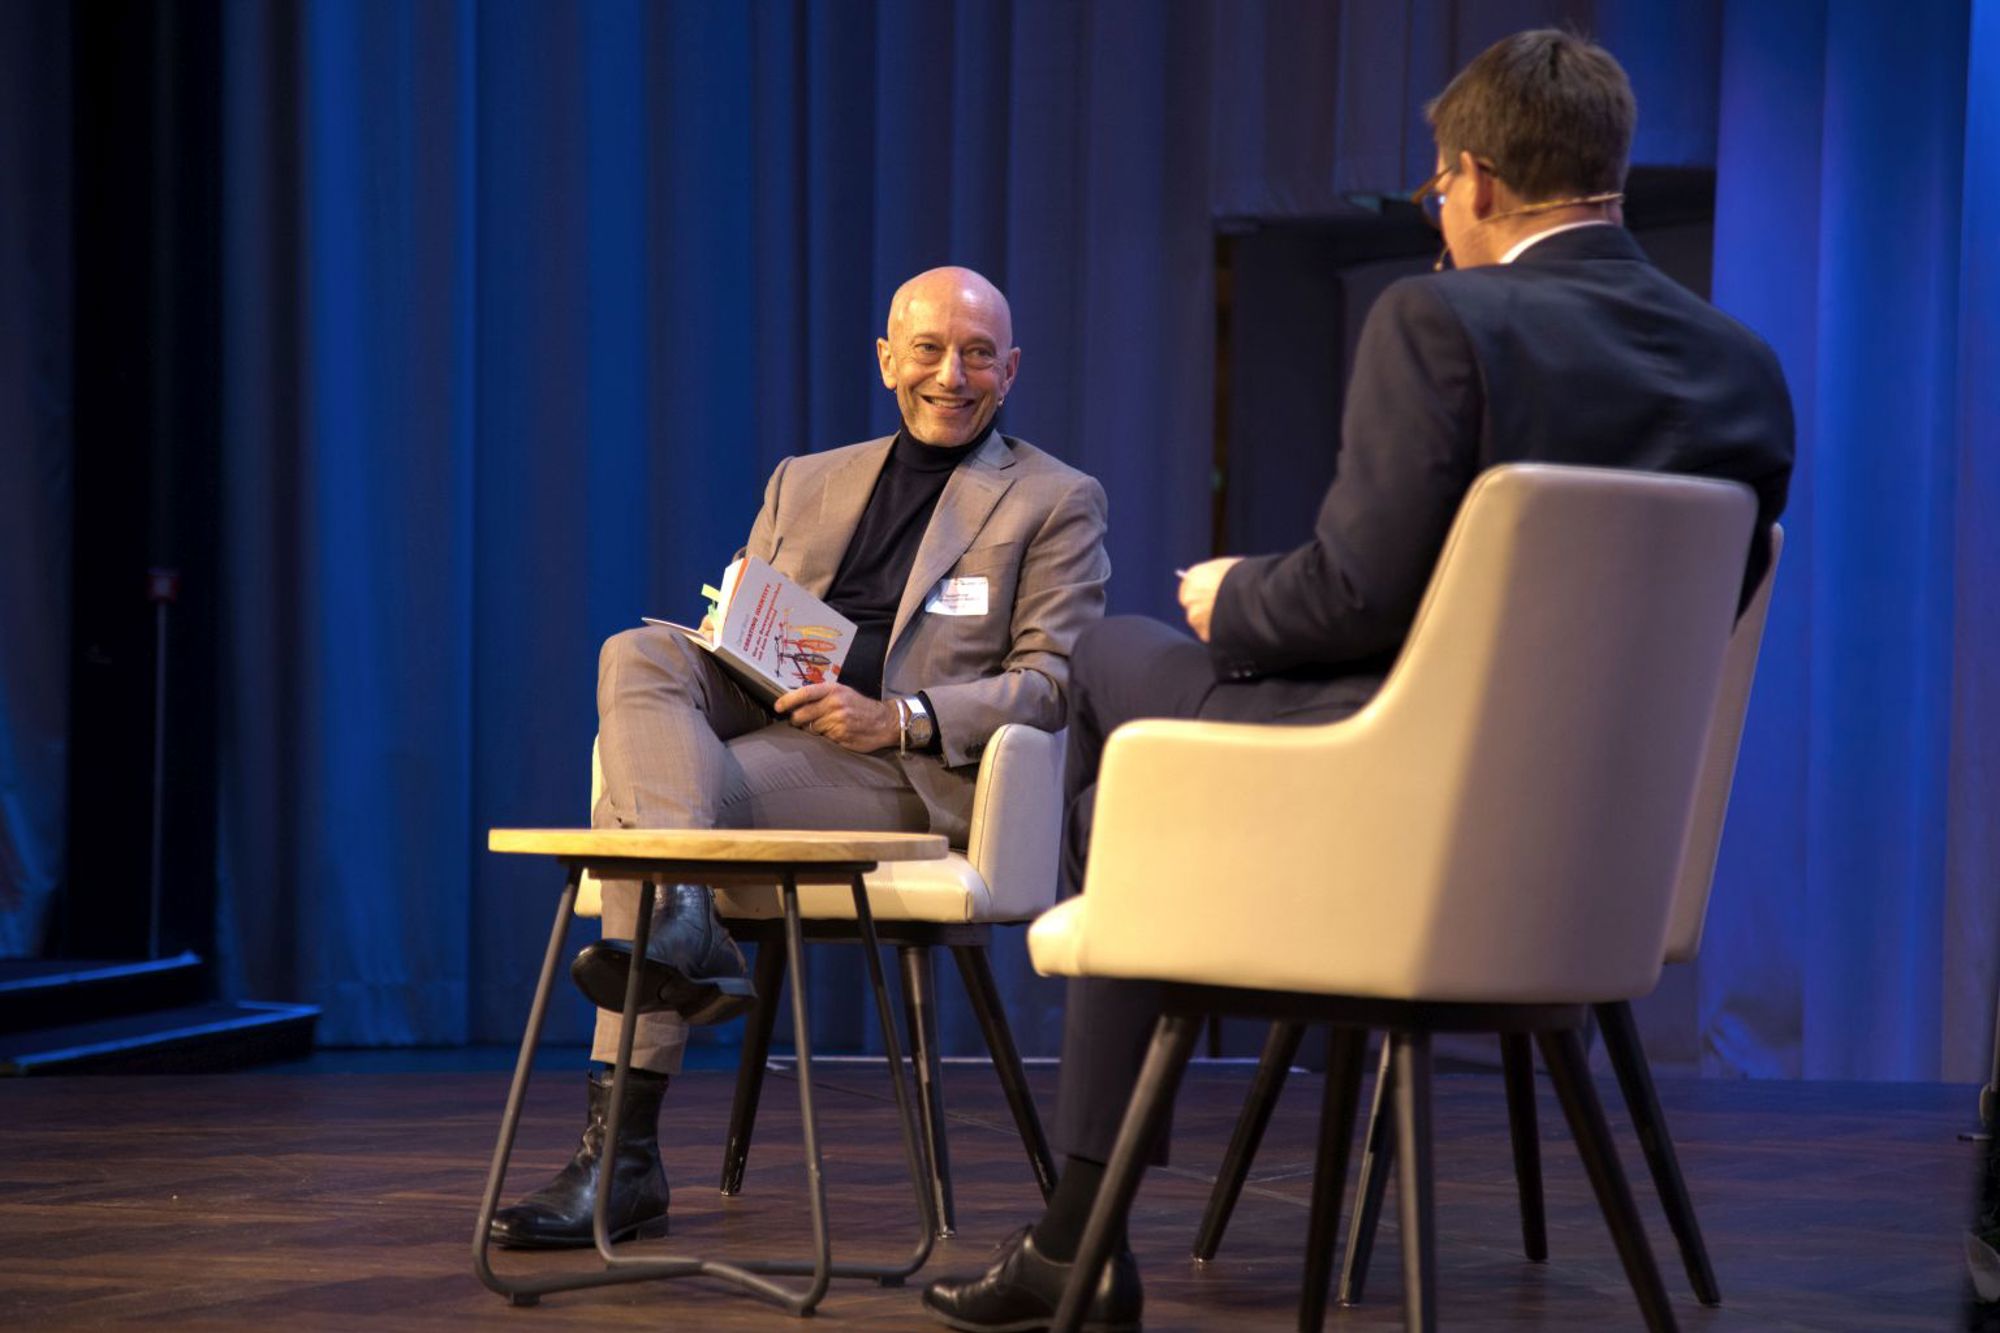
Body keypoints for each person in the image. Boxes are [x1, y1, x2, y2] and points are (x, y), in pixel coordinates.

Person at [921, 29, 1794, 1332]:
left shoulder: (1441, 318)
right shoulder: (1744, 369)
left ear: (1476, 178)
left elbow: (1352, 597)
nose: (1439, 214)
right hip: (1591, 860)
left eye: (1436, 189)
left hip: (1391, 808)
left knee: (1109, 660)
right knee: (1144, 795)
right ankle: (1107, 1132)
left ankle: (1084, 1219)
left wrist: (1232, 597)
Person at [489, 266, 1110, 1250]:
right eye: (928, 350)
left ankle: (621, 1157)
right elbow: (751, 639)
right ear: (886, 359)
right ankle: (682, 921)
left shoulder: (1053, 498)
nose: (951, 375)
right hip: (774, 720)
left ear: (1012, 369)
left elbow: (1051, 681)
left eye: (978, 355)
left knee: (642, 822)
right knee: (636, 653)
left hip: (900, 771)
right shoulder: (805, 478)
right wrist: (736, 630)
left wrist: (897, 717)